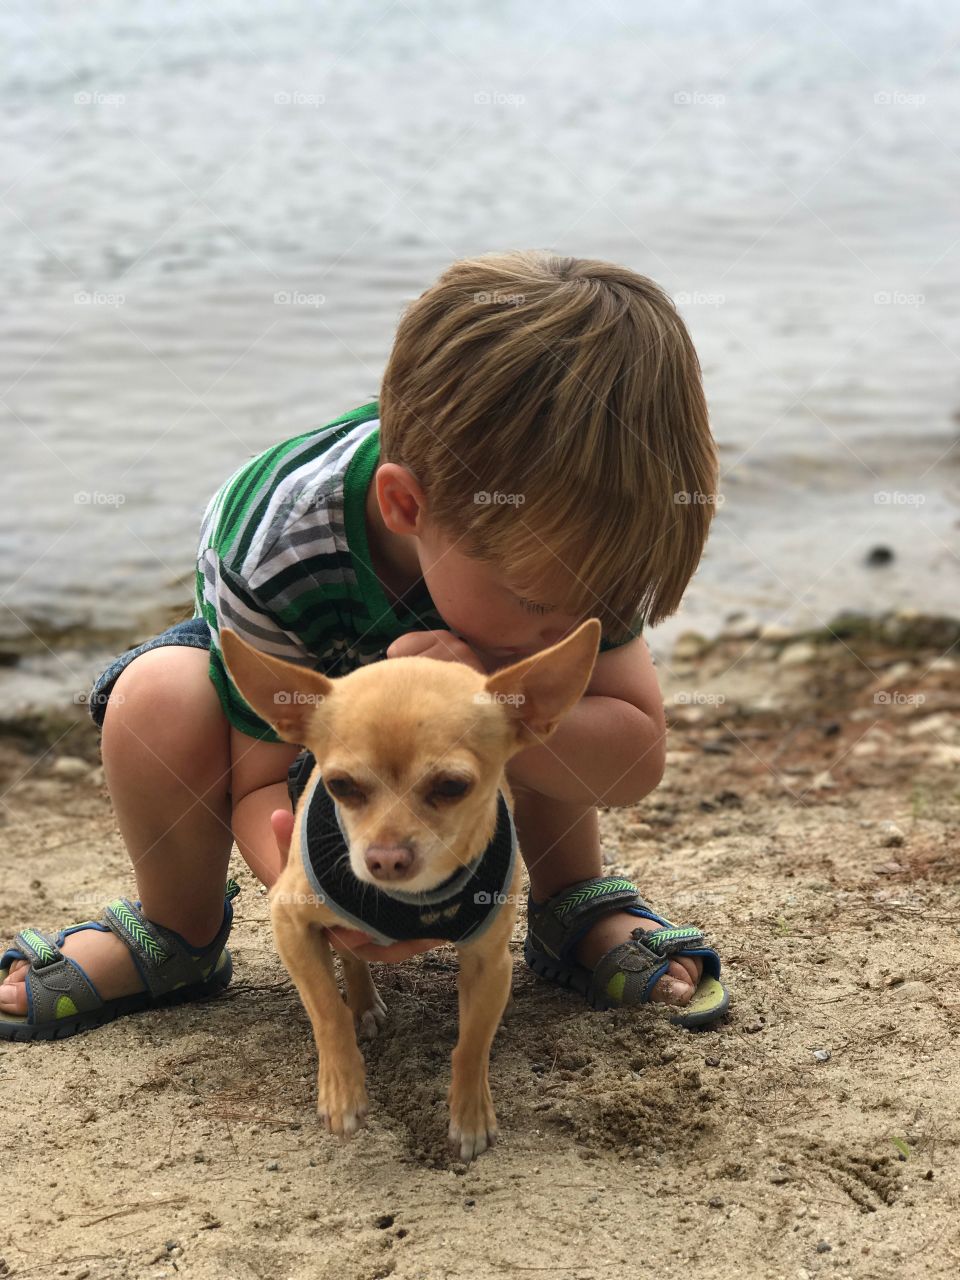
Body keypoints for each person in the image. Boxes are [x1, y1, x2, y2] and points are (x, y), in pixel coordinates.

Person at [0, 249, 728, 1039]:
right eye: (537, 599)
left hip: (456, 734)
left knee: (535, 689)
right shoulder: (277, 536)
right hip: (317, 688)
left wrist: (490, 690)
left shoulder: (575, 553)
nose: (570, 620)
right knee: (157, 697)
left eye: (600, 600)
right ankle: (179, 932)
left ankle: (571, 898)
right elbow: (259, 785)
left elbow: (632, 757)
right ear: (405, 505)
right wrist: (327, 901)